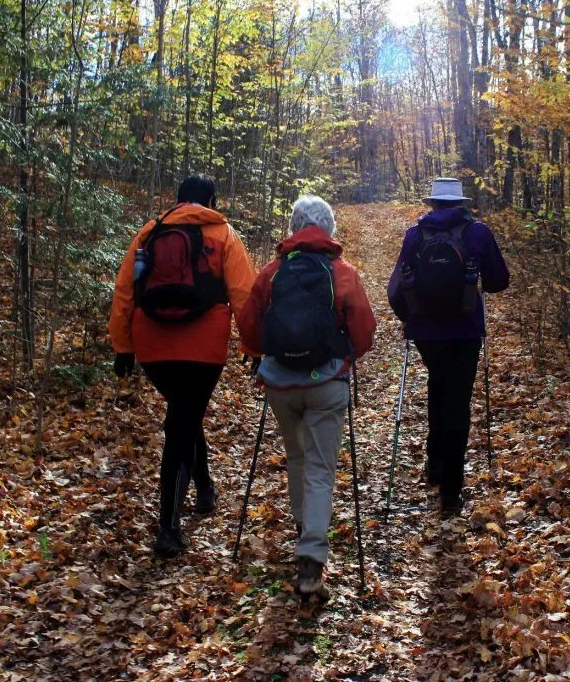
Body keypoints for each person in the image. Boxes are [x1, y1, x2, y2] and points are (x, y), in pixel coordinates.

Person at [109, 174, 256, 558]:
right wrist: (255, 345)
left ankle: (204, 489)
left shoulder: (148, 233)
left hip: (152, 346)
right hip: (203, 348)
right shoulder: (222, 234)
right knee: (182, 423)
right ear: (209, 200)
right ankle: (168, 527)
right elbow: (244, 294)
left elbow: (125, 291)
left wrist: (123, 345)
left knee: (184, 415)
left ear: (177, 200)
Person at [237, 196, 376, 598]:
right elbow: (364, 331)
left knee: (297, 457)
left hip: (281, 384)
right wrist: (343, 355)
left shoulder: (273, 272)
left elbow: (248, 327)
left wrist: (270, 353)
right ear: (329, 228)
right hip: (327, 382)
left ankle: (304, 526)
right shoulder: (341, 272)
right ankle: (311, 558)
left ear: (294, 227)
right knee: (320, 466)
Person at [387, 178, 509, 517]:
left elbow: (396, 288)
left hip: (426, 332)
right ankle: (451, 490)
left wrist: (408, 319)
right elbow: (500, 280)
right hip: (465, 330)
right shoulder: (478, 232)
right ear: (460, 203)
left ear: (433, 204)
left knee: (438, 388)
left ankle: (435, 464)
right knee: (458, 401)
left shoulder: (415, 235)